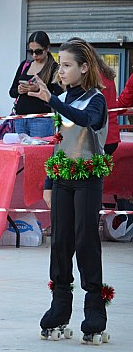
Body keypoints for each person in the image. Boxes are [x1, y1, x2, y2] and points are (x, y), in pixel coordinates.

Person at [29, 39, 114, 344]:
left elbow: (87, 121)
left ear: (84, 68)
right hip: (63, 178)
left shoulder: (96, 100)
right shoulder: (63, 97)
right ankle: (60, 307)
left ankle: (95, 311)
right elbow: (59, 142)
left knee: (85, 240)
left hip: (88, 179)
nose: (61, 71)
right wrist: (49, 182)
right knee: (60, 243)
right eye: (60, 65)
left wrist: (52, 100)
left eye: (66, 66)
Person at [9, 31, 63, 138]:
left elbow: (60, 95)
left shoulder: (54, 68)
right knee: (22, 152)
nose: (34, 55)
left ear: (47, 48)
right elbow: (12, 92)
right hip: (20, 118)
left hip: (41, 119)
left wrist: (40, 89)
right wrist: (19, 90)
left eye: (38, 51)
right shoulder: (25, 65)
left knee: (39, 152)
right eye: (31, 51)